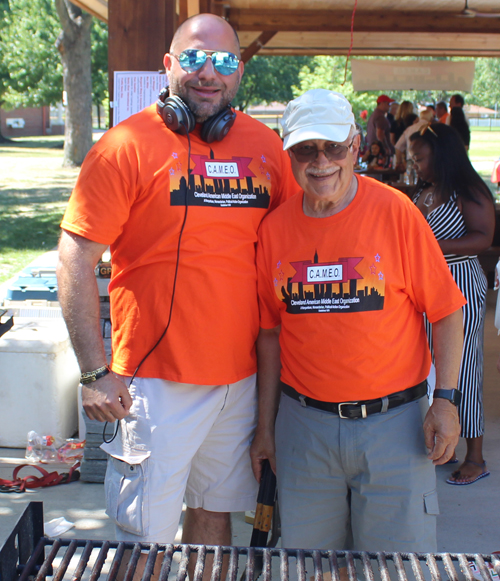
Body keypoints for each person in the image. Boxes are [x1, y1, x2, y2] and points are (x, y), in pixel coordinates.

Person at [56, 13, 300, 552]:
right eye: (193, 59)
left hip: (239, 383)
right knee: (143, 541)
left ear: (240, 73)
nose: (208, 73)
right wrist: (96, 372)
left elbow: (296, 250)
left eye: (224, 61)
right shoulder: (125, 146)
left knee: (215, 522)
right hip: (153, 384)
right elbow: (74, 258)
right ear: (168, 66)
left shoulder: (267, 148)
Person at [251, 89, 465, 554]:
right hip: (304, 428)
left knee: (399, 566)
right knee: (308, 565)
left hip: (395, 427)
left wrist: (446, 401)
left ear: (354, 144)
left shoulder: (397, 214)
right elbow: (270, 336)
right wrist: (265, 426)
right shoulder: (273, 230)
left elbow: (447, 311)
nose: (321, 161)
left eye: (333, 146)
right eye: (306, 149)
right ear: (288, 152)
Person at [410, 123, 495, 486]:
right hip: (426, 283)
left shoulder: (468, 191)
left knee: (466, 367)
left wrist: (432, 247)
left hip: (460, 281)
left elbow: (483, 238)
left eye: (421, 157)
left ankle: (475, 456)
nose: (416, 164)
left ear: (441, 155)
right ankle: (447, 441)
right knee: (432, 365)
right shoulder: (427, 191)